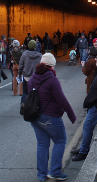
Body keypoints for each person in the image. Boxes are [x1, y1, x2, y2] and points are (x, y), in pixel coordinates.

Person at [29, 53, 76, 182]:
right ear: (51, 66)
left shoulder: (33, 78)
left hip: (35, 117)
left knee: (42, 144)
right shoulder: (51, 79)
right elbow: (61, 99)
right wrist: (71, 115)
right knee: (60, 141)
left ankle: (41, 175)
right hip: (50, 117)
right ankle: (55, 171)